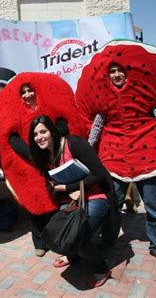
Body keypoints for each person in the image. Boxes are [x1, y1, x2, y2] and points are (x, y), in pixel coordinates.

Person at [88, 63, 156, 267]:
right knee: (112, 205)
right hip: (115, 159)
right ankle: (109, 240)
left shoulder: (146, 94)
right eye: (112, 71)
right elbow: (97, 126)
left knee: (152, 206)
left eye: (119, 70)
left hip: (147, 158)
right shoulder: (104, 98)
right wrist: (86, 151)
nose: (116, 74)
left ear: (127, 72)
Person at [28, 115, 116, 288]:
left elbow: (99, 174)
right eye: (35, 134)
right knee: (58, 234)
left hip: (96, 196)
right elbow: (52, 190)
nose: (40, 137)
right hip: (70, 202)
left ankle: (102, 268)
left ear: (52, 131)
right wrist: (60, 190)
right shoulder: (45, 157)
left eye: (43, 131)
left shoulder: (74, 143)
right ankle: (73, 255)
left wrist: (68, 187)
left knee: (76, 238)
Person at [8, 84, 69, 258]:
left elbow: (63, 125)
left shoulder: (50, 107)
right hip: (29, 164)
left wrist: (48, 143)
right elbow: (12, 137)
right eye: (23, 92)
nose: (27, 95)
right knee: (34, 203)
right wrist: (33, 154)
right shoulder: (16, 112)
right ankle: (39, 241)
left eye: (30, 90)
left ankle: (55, 238)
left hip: (51, 160)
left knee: (53, 200)